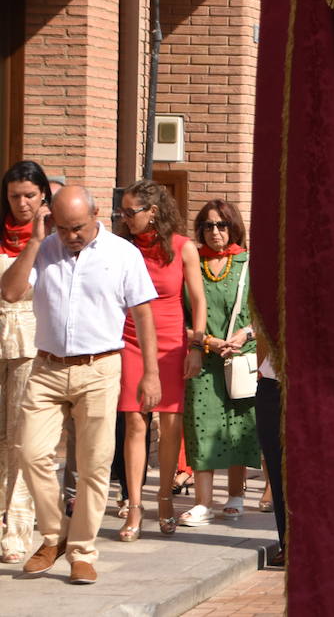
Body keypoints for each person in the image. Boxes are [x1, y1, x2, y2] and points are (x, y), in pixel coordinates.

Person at [3, 185, 160, 584]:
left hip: (100, 368)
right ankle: (54, 536)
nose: (71, 235)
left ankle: (82, 550)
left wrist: (151, 372)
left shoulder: (122, 254)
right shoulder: (46, 247)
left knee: (94, 466)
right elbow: (9, 291)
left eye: (79, 227)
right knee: (31, 453)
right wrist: (37, 242)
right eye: (63, 227)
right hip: (47, 366)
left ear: (95, 216)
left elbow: (142, 313)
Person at [255, 269, 334, 568]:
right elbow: (263, 335)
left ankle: (321, 545)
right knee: (281, 470)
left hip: (319, 389)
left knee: (316, 472)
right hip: (274, 386)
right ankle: (289, 544)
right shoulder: (278, 282)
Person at [116, 179, 206, 539]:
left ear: (152, 212)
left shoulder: (184, 248)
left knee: (170, 426)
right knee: (135, 424)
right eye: (121, 212)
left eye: (130, 212)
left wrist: (197, 347)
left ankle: (165, 498)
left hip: (171, 343)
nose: (124, 218)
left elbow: (198, 302)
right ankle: (134, 506)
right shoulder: (123, 249)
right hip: (130, 339)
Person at [182, 200, 259, 528]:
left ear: (233, 227)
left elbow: (264, 314)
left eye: (222, 225)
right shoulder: (191, 263)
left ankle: (237, 495)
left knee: (238, 427)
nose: (215, 232)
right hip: (203, 357)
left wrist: (245, 333)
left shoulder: (248, 263)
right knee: (202, 426)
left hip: (241, 358)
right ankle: (203, 502)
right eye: (208, 226)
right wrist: (206, 342)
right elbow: (177, 316)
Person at [0, 161, 50, 562]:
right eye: (14, 195)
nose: (21, 203)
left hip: (31, 344)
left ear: (43, 196)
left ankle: (16, 531)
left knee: (22, 439)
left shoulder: (53, 240)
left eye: (29, 195)